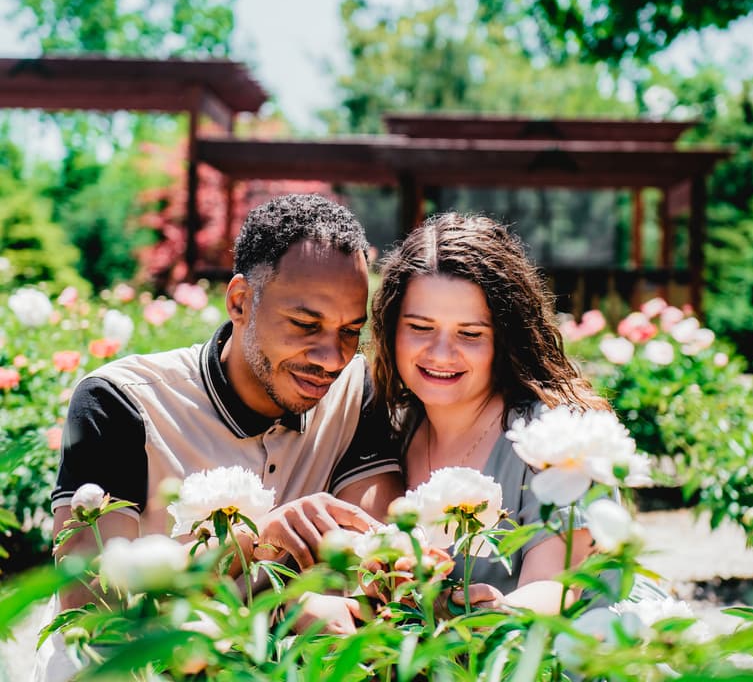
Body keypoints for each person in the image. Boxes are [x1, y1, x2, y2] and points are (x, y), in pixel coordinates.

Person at [49, 193, 404, 615]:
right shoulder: (120, 401)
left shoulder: (353, 391)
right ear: (239, 302)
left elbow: (379, 569)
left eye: (350, 331)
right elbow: (89, 605)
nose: (332, 358)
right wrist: (254, 543)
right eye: (305, 325)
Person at [370, 212, 610, 613]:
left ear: (505, 337)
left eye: (470, 333)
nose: (441, 353)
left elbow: (559, 586)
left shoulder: (555, 438)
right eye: (420, 327)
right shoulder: (390, 427)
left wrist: (502, 613)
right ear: (391, 328)